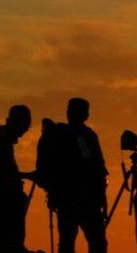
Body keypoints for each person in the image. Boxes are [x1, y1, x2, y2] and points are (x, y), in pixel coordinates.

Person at [37, 98, 109, 253]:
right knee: (90, 241)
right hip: (78, 200)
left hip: (73, 199)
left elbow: (98, 169)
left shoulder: (62, 134)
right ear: (86, 115)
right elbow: (98, 168)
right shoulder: (83, 135)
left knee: (70, 242)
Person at [0, 105, 36, 250]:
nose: (26, 130)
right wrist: (26, 176)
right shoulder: (0, 140)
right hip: (2, 203)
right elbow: (0, 173)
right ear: (18, 122)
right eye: (26, 125)